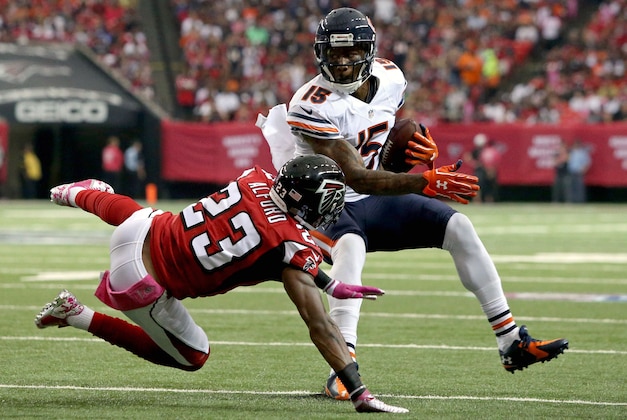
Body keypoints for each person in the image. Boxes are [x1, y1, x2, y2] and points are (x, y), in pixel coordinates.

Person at [257, 7, 568, 401]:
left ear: (369, 51)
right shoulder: (312, 103)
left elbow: (382, 147)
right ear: (320, 53)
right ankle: (343, 367)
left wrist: (416, 147)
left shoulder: (390, 77)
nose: (341, 61)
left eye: (350, 52)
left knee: (459, 228)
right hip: (323, 206)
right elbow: (354, 175)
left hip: (372, 199)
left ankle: (511, 342)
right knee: (350, 248)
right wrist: (423, 180)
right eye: (333, 54)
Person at [34, 155, 409, 414]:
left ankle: (80, 193)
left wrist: (330, 285)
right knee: (193, 357)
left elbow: (267, 241)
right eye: (327, 201)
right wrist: (357, 389)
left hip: (141, 227)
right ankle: (76, 315)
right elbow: (320, 326)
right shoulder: (289, 243)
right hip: (140, 279)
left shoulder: (255, 178)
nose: (331, 210)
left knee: (152, 218)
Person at [567, 138, 591, 203]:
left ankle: (580, 201)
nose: (576, 145)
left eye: (577, 144)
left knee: (579, 187)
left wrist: (583, 170)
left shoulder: (582, 153)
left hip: (579, 171)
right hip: (571, 172)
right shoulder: (571, 152)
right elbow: (567, 161)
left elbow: (587, 162)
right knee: (571, 187)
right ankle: (571, 201)